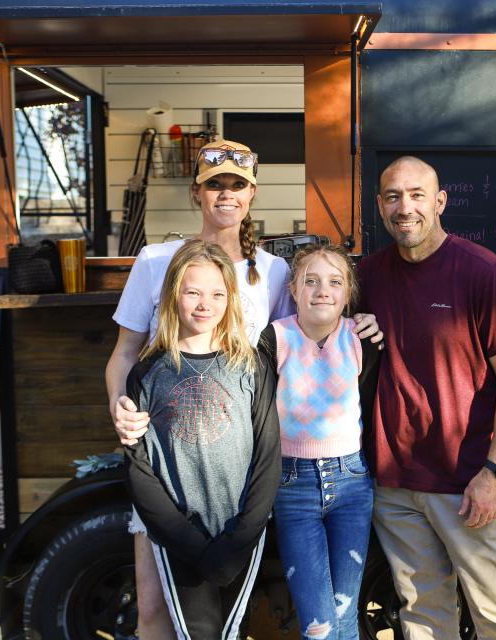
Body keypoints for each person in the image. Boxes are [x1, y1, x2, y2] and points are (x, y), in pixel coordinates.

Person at [105, 138, 381, 639]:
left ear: (252, 195)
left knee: (224, 618)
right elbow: (125, 353)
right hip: (169, 463)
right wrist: (122, 412)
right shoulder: (156, 260)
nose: (225, 195)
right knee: (152, 608)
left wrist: (356, 324)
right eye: (215, 185)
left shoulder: (273, 272)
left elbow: (296, 344)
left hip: (243, 471)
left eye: (237, 185)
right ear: (197, 192)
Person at [357, 156, 496, 639]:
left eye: (417, 195)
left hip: (467, 485)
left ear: (439, 202)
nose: (404, 207)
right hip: (394, 487)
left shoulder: (482, 272)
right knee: (421, 616)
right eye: (393, 196)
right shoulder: (367, 276)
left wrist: (495, 471)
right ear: (379, 206)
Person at [124, 239, 280, 639]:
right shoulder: (148, 372)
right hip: (179, 537)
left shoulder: (250, 365)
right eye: (192, 292)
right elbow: (141, 469)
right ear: (173, 294)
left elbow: (267, 455)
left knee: (230, 631)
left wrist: (243, 534)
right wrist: (186, 542)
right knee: (197, 632)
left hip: (241, 532)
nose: (204, 303)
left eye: (216, 293)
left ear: (230, 299)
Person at [257, 245, 381, 640]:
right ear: (293, 289)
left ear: (348, 294)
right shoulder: (274, 340)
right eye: (310, 281)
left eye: (334, 282)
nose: (322, 290)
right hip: (294, 487)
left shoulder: (362, 340)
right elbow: (259, 414)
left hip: (352, 484)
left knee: (346, 615)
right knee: (319, 625)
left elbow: (372, 405)